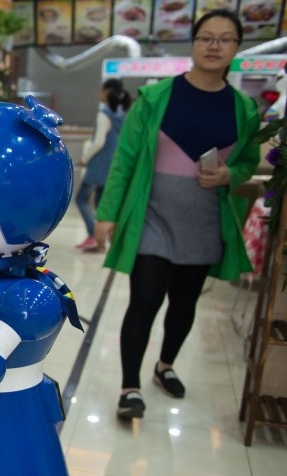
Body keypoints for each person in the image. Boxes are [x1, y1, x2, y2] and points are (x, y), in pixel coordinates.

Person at [94, 9, 259, 419]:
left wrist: (228, 175)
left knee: (184, 306)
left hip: (205, 223)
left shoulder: (243, 109)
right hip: (152, 218)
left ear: (237, 48)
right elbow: (125, 160)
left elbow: (249, 164)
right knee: (145, 300)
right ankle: (129, 387)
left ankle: (164, 365)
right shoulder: (156, 98)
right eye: (206, 37)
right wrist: (107, 213)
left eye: (225, 39)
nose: (214, 45)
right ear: (193, 43)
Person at [75, 79, 130, 252]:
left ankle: (92, 234)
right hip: (112, 164)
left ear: (106, 91)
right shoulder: (122, 114)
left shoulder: (104, 114)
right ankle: (100, 241)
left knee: (81, 198)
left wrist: (85, 159)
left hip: (98, 164)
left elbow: (98, 142)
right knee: (100, 202)